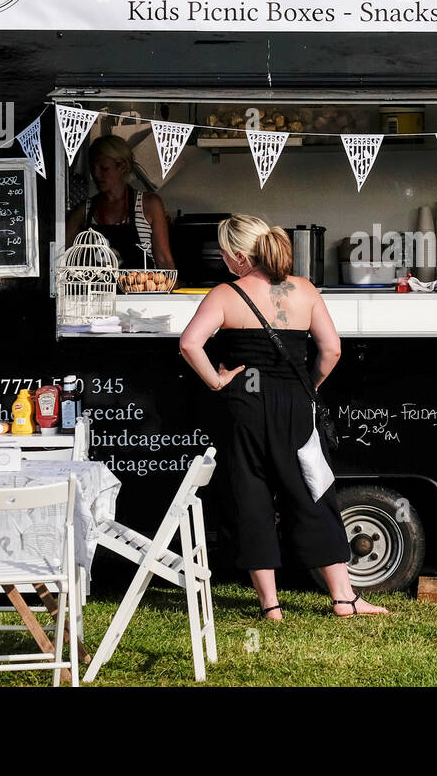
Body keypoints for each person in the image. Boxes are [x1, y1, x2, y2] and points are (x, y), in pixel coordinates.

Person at [178, 214, 387, 619]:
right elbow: (332, 350)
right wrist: (307, 387)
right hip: (295, 405)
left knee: (250, 498)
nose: (222, 261)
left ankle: (270, 607)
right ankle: (344, 598)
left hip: (244, 405)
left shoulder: (225, 294)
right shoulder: (305, 290)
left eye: (224, 253)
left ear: (240, 257)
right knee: (311, 492)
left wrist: (217, 382)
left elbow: (190, 344)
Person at [65, 135, 175, 269]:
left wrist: (172, 288)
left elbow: (163, 260)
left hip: (142, 289)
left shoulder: (149, 205)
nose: (96, 175)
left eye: (104, 168)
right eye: (93, 168)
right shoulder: (85, 210)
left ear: (122, 167)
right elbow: (61, 253)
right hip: (99, 289)